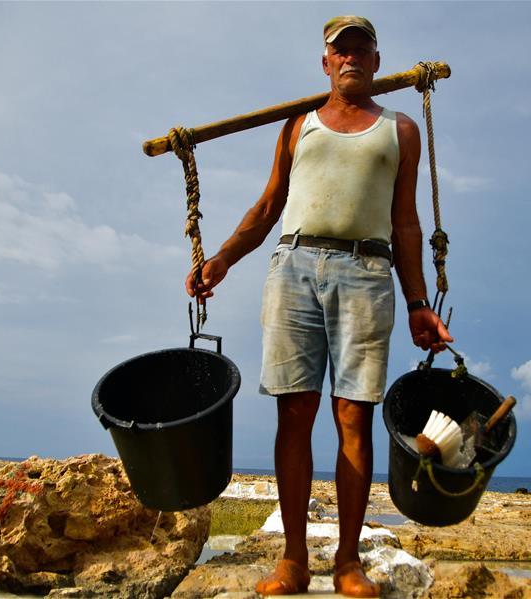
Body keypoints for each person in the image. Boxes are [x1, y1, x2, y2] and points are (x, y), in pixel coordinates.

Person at [186, 15, 452, 597]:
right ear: (326, 63)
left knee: (353, 415)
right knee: (295, 412)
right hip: (294, 265)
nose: (352, 58)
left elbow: (406, 222)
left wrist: (418, 301)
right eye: (341, 51)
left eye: (363, 50)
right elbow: (267, 207)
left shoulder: (400, 129)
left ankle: (348, 563)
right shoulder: (296, 126)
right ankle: (294, 562)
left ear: (377, 64)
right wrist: (222, 259)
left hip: (368, 270)